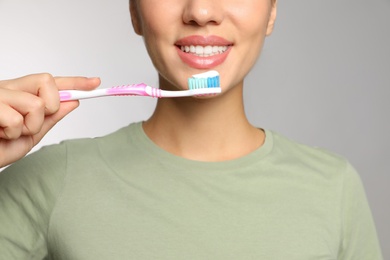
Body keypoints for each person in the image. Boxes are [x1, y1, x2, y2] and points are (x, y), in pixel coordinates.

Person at [0, 0, 383, 259]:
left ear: (271, 11)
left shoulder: (334, 188)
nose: (200, 11)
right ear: (135, 11)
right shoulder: (47, 182)